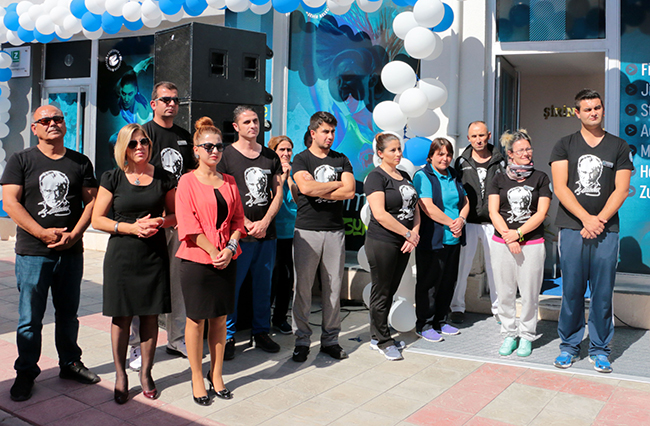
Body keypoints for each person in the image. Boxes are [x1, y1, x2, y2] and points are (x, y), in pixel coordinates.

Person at [1, 105, 100, 402]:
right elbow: (10, 203)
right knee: (30, 318)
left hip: (71, 252)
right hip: (33, 253)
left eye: (57, 119)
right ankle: (26, 371)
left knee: (68, 314)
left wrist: (75, 234)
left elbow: (92, 202)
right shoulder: (21, 160)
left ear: (64, 125)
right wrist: (41, 233)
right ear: (35, 128)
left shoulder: (80, 162)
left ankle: (70, 363)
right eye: (45, 120)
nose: (52, 123)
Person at [91, 123, 177, 404]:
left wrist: (160, 222)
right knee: (122, 317)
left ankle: (146, 374)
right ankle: (120, 375)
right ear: (123, 148)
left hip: (153, 254)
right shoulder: (112, 177)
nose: (140, 147)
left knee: (151, 315)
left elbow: (176, 215)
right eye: (133, 143)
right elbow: (97, 219)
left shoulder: (164, 177)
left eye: (144, 142)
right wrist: (130, 228)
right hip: (122, 255)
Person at [550, 89, 632, 373]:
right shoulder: (564, 145)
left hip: (606, 231)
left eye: (597, 108)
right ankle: (569, 346)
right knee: (572, 291)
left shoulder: (618, 146)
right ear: (577, 113)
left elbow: (622, 189)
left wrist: (599, 221)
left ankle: (599, 349)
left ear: (603, 110)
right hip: (573, 228)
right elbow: (560, 187)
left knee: (602, 293)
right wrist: (586, 219)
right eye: (587, 109)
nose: (593, 113)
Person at [176, 117, 246, 405]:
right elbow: (188, 225)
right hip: (196, 260)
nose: (215, 151)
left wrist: (229, 248)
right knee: (196, 320)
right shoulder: (187, 182)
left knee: (220, 318)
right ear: (196, 150)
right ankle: (196, 376)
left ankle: (216, 375)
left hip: (226, 258)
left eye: (219, 146)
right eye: (208, 146)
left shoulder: (229, 181)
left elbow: (239, 220)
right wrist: (213, 251)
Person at [126, 81, 193, 368]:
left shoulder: (184, 136)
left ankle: (177, 338)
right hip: (150, 221)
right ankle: (135, 346)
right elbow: (132, 173)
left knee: (178, 283)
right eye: (166, 99)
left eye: (176, 100)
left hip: (179, 220)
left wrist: (184, 213)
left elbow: (190, 177)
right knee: (145, 284)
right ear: (153, 103)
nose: (172, 104)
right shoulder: (142, 135)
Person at [217, 106, 283, 359]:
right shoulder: (226, 156)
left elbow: (278, 192)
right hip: (237, 236)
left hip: (266, 234)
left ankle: (261, 331)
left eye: (255, 121)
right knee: (232, 287)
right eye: (246, 122)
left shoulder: (270, 156)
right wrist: (244, 222)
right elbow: (223, 193)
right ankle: (228, 335)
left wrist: (264, 222)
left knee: (263, 287)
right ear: (236, 127)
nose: (253, 125)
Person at [291, 111, 355, 362]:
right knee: (303, 289)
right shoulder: (301, 159)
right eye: (325, 131)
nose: (330, 136)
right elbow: (305, 188)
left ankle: (330, 340)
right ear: (313, 132)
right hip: (307, 231)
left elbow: (349, 192)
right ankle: (302, 341)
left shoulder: (342, 159)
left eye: (332, 131)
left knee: (333, 288)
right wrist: (336, 184)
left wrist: (319, 188)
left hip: (334, 231)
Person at [487, 130, 551, 358]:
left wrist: (519, 234)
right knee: (504, 292)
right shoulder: (498, 179)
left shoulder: (541, 178)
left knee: (529, 294)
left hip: (531, 244)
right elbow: (493, 211)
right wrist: (509, 237)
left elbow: (541, 213)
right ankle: (509, 333)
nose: (526, 153)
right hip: (502, 243)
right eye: (521, 150)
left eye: (528, 149)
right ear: (510, 154)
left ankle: (526, 335)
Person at [364, 133, 420, 360]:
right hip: (383, 241)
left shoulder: (404, 175)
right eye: (392, 150)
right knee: (382, 291)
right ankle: (383, 341)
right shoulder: (375, 177)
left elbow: (415, 207)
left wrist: (414, 234)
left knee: (390, 290)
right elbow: (379, 214)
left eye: (399, 149)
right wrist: (407, 233)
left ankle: (377, 335)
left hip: (404, 242)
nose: (398, 154)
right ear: (380, 153)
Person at [412, 138, 469, 343]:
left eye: (448, 154)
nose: (445, 158)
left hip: (453, 239)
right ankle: (424, 324)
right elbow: (427, 206)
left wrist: (461, 220)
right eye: (440, 154)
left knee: (447, 282)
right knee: (429, 283)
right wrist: (452, 223)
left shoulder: (453, 174)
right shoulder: (422, 176)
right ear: (431, 156)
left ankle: (441, 320)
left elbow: (465, 201)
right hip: (433, 239)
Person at [449, 121, 506, 324]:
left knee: (495, 268)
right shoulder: (460, 162)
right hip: (469, 222)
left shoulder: (501, 161)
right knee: (462, 267)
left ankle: (499, 309)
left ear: (488, 135)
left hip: (493, 222)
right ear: (468, 138)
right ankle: (457, 307)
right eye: (474, 136)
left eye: (481, 135)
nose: (478, 140)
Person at [268, 136, 299, 334]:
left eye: (289, 150)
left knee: (287, 278)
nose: (286, 153)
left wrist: (288, 178)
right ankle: (262, 318)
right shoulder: (269, 170)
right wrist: (279, 177)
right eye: (282, 150)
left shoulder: (295, 173)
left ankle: (280, 317)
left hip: (292, 231)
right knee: (272, 277)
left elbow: (298, 198)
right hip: (274, 232)